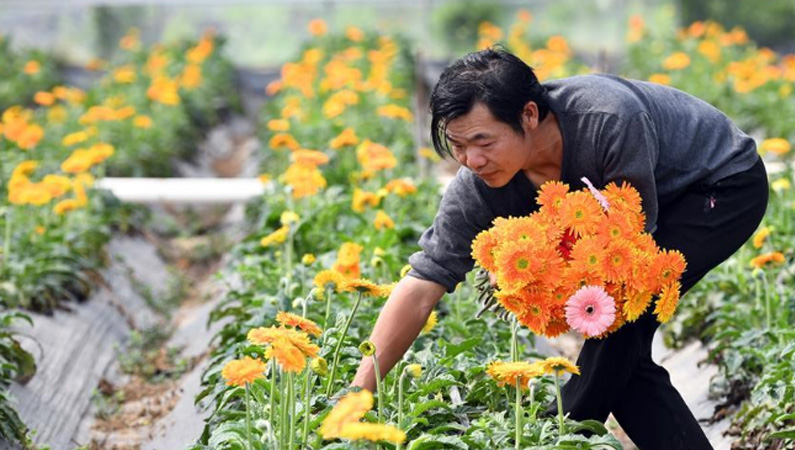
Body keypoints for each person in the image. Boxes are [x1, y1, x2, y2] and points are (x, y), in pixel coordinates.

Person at [351, 48, 768, 450]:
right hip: (646, 213)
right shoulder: (476, 187)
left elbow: (630, 253)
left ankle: (560, 431)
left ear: (529, 115)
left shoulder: (608, 121)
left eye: (483, 141)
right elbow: (422, 284)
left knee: (619, 324)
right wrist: (356, 395)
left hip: (718, 186)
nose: (471, 160)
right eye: (457, 145)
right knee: (623, 359)